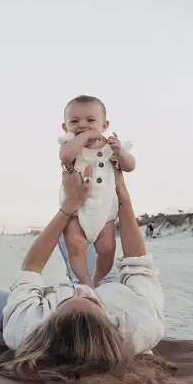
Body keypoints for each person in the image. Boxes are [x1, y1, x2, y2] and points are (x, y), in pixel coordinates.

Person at [0, 167, 193, 384]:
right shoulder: (140, 325)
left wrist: (68, 206)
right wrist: (121, 193)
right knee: (91, 238)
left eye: (71, 299)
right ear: (112, 322)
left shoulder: (25, 329)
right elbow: (137, 262)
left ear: (49, 321)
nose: (82, 289)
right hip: (108, 284)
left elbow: (31, 267)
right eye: (91, 299)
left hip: (41, 301)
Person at [58, 95, 135, 288]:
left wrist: (121, 153)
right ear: (65, 127)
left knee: (108, 248)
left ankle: (98, 277)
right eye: (75, 121)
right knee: (74, 246)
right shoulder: (71, 146)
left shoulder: (111, 146)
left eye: (91, 121)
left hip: (104, 210)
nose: (82, 125)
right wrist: (83, 136)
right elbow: (65, 156)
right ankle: (84, 281)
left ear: (105, 124)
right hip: (77, 210)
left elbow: (130, 166)